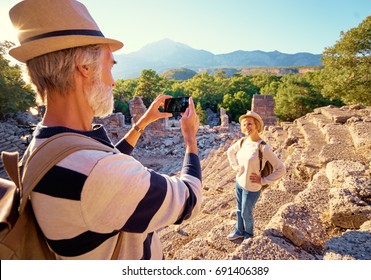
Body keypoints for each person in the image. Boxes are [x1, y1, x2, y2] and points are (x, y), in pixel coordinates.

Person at [8, 0, 201, 260]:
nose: (113, 80)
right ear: (84, 67)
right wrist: (190, 139)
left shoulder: (45, 144)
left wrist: (141, 123)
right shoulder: (99, 174)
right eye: (111, 65)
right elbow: (190, 200)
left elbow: (100, 161)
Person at [227, 111, 285, 240]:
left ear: (257, 125)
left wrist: (263, 180)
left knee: (246, 212)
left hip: (252, 187)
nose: (247, 127)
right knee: (238, 210)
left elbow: (281, 169)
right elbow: (230, 152)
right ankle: (238, 230)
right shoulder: (243, 141)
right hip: (239, 182)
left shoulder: (263, 148)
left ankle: (248, 234)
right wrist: (235, 167)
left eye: (250, 124)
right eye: (244, 124)